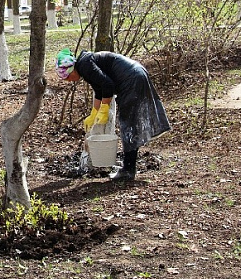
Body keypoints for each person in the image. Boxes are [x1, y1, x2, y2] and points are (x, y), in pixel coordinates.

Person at [55, 48, 171, 181]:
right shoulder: (85, 65)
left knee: (128, 124)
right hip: (135, 74)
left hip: (131, 79)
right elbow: (99, 90)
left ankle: (128, 170)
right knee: (129, 123)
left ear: (71, 69)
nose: (69, 81)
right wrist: (94, 113)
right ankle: (128, 167)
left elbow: (108, 85)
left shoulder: (85, 66)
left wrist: (104, 110)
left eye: (67, 77)